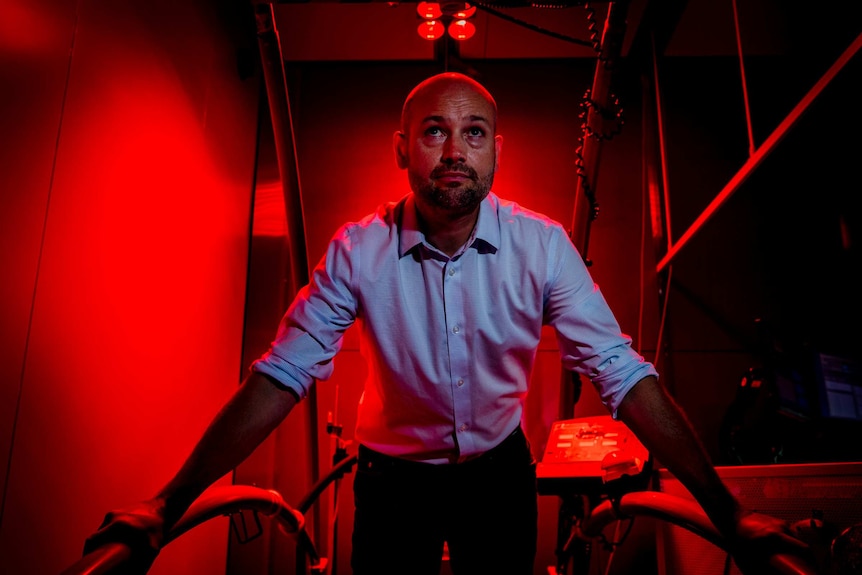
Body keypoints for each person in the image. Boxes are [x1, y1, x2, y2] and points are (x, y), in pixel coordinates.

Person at [84, 72, 807, 575]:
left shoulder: (542, 245)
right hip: (391, 482)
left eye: (474, 132)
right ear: (403, 149)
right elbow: (279, 376)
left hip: (500, 475)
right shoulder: (357, 250)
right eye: (435, 131)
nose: (455, 149)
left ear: (496, 150)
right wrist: (164, 504)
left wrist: (729, 512)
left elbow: (622, 375)